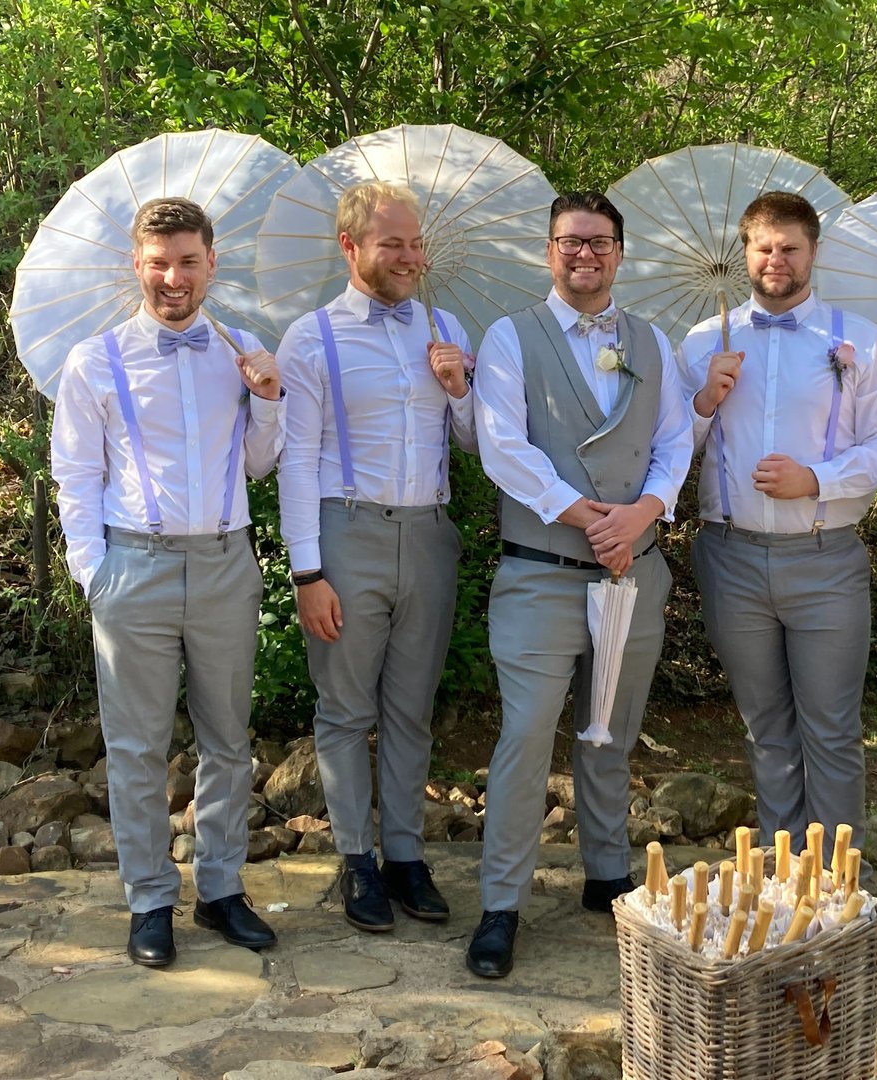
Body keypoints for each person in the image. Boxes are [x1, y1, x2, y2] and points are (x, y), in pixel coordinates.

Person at [51, 196, 284, 967]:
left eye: (187, 262)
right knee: (137, 748)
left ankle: (220, 891)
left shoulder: (243, 350)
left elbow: (259, 465)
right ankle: (150, 900)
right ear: (137, 265)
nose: (173, 278)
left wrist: (268, 401)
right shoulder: (95, 360)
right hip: (133, 568)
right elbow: (75, 476)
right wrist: (95, 575)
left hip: (224, 564)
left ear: (211, 263)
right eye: (159, 263)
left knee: (227, 741)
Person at [467, 191, 694, 977]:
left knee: (610, 732)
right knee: (526, 737)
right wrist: (581, 514)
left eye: (599, 242)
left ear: (620, 252)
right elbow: (502, 444)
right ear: (550, 251)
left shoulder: (652, 342)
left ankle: (605, 875)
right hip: (542, 574)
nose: (584, 254)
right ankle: (502, 904)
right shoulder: (510, 337)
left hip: (634, 570)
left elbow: (674, 441)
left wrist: (644, 514)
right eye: (570, 241)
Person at [680, 191, 877, 860]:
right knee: (765, 728)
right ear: (744, 253)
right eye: (763, 247)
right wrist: (703, 400)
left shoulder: (861, 342)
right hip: (729, 557)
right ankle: (783, 876)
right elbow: (666, 448)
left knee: (831, 729)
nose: (775, 259)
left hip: (824, 559)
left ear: (813, 253)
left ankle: (834, 882)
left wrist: (817, 479)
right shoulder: (703, 341)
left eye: (789, 248)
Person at [276, 181, 475, 933]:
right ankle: (356, 859)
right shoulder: (311, 338)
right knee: (345, 709)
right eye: (393, 243)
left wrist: (459, 388)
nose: (410, 257)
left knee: (411, 709)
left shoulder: (446, 326)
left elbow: (477, 443)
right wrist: (307, 572)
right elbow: (297, 461)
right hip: (346, 531)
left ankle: (405, 857)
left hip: (428, 534)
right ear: (350, 246)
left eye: (416, 243)